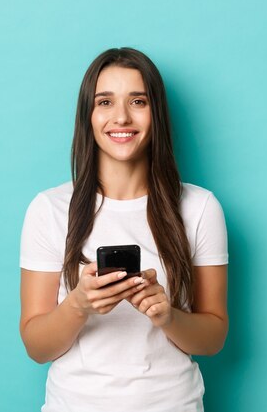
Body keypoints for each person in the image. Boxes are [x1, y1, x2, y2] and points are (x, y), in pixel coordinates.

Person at [19, 47, 229, 412]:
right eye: (105, 102)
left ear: (156, 113)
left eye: (137, 101)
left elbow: (213, 338)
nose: (121, 117)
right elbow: (37, 347)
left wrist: (168, 316)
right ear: (88, 115)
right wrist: (79, 305)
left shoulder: (199, 208)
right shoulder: (49, 209)